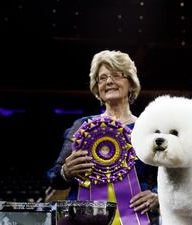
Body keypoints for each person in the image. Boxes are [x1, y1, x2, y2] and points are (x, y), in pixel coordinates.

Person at [47, 50, 159, 224]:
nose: (109, 81)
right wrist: (65, 172)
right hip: (83, 220)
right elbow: (54, 178)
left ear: (131, 83)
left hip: (134, 217)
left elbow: (167, 178)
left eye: (116, 75)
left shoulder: (149, 128)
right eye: (102, 78)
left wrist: (157, 195)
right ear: (97, 88)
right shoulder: (82, 127)